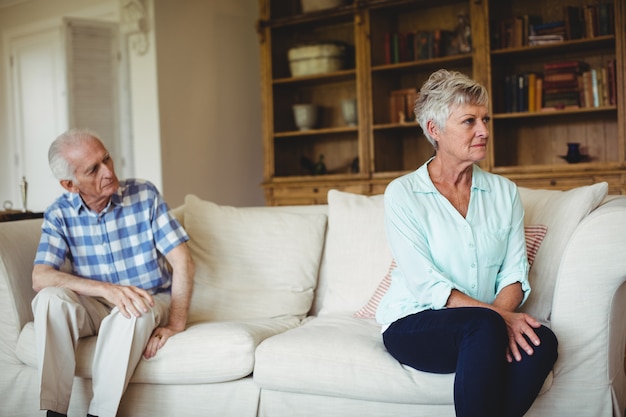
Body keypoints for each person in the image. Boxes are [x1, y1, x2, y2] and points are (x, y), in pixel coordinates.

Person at [376, 69, 558, 417]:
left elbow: (514, 274)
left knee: (541, 341)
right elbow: (425, 284)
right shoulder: (403, 194)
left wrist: (502, 319)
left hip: (483, 329)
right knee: (485, 325)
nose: (484, 131)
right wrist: (499, 320)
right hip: (415, 323)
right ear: (435, 130)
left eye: (485, 119)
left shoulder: (503, 192)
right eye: (469, 121)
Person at [32, 128, 195, 417]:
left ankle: (99, 414)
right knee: (49, 299)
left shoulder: (144, 194)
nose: (108, 171)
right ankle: (54, 413)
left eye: (106, 159)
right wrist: (105, 289)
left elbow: (182, 261)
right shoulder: (59, 213)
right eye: (94, 169)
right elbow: (40, 276)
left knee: (133, 309)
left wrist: (176, 323)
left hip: (145, 297)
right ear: (70, 185)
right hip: (95, 305)